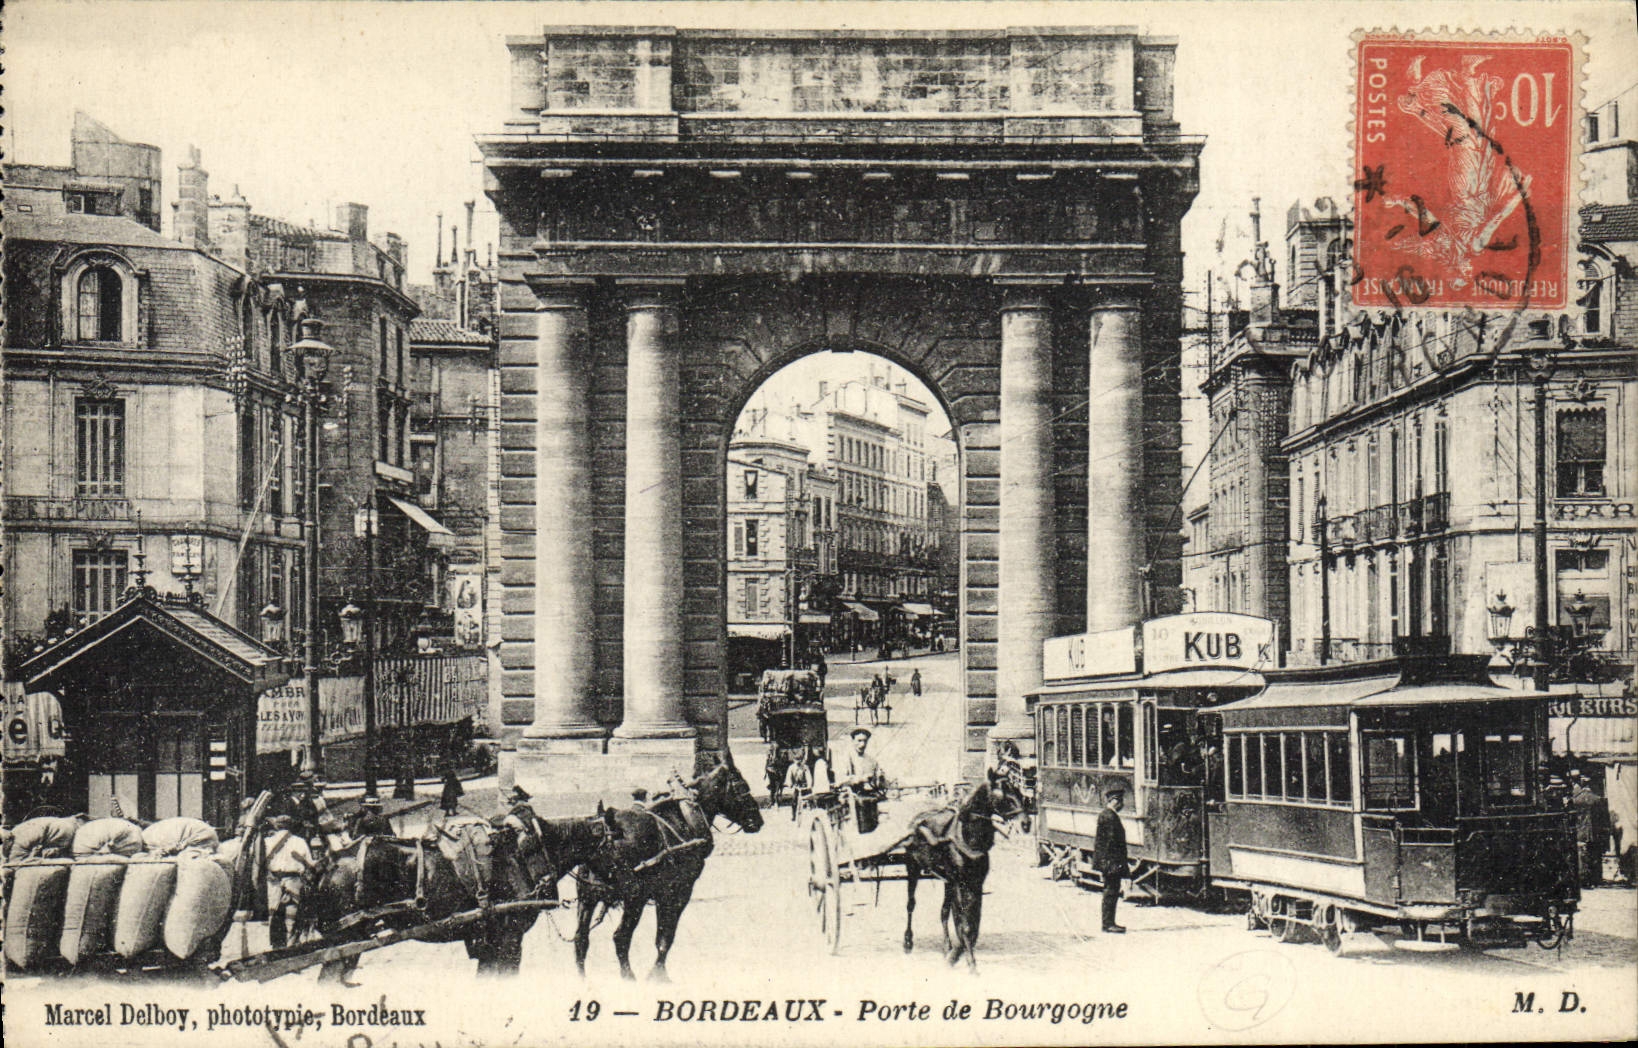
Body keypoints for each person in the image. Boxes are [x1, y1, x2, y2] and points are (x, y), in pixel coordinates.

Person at [265, 815, 318, 948]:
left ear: (276, 826)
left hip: (273, 881)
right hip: (293, 879)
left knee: (273, 912)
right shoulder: (299, 841)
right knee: (291, 913)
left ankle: (275, 944)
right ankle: (290, 942)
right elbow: (310, 863)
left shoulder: (267, 841)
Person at [1094, 787, 1129, 933]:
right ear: (1114, 801)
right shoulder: (1109, 816)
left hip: (1109, 861)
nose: (1122, 804)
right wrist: (1113, 864)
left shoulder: (1107, 815)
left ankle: (1109, 922)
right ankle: (1108, 924)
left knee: (1111, 891)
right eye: (1120, 801)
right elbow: (1110, 843)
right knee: (1111, 892)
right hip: (1111, 862)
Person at [1570, 773, 1611, 888]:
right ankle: (1596, 879)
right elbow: (1604, 818)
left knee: (1582, 855)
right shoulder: (1598, 799)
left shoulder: (1575, 800)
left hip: (1581, 831)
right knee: (1596, 854)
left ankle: (1584, 879)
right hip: (1595, 832)